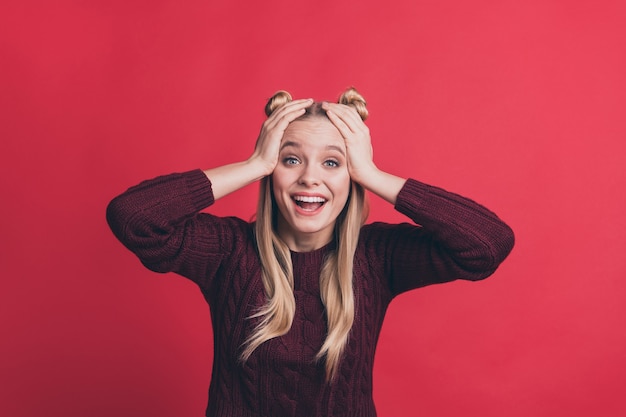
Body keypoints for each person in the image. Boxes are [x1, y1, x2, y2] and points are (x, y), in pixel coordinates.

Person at [106, 87, 515, 417]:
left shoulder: (375, 258)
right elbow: (133, 218)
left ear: (351, 176)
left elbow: (486, 244)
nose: (309, 178)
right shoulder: (229, 252)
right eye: (291, 159)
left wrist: (371, 173)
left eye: (332, 163)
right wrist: (253, 164)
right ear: (272, 170)